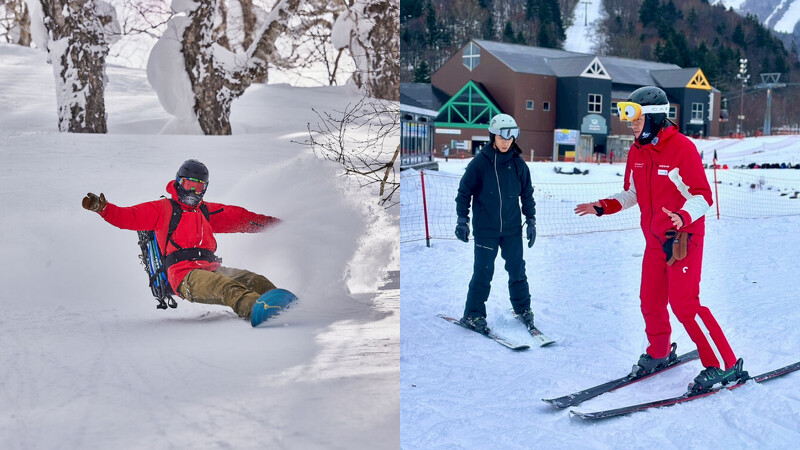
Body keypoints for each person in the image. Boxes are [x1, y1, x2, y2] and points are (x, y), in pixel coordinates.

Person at [574, 86, 748, 393]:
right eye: (629, 118)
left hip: (684, 237)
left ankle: (724, 363)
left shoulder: (682, 148)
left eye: (636, 118)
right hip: (655, 240)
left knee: (685, 305)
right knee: (650, 300)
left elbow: (703, 196)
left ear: (654, 117)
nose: (632, 124)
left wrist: (683, 215)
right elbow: (631, 194)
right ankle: (659, 352)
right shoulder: (637, 151)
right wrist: (603, 206)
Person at [82, 159, 282, 320]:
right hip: (183, 276)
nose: (193, 191)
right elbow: (129, 217)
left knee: (254, 280)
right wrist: (104, 209)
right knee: (227, 288)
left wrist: (278, 225)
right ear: (179, 182)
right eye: (188, 184)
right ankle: (264, 311)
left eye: (198, 186)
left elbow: (241, 218)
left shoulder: (205, 211)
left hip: (210, 268)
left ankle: (286, 306)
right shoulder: (162, 209)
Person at [454, 113, 537, 334]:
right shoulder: (480, 163)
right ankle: (473, 314)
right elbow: (464, 193)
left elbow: (527, 195)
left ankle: (523, 308)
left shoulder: (519, 164)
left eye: (511, 137)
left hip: (512, 229)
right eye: (502, 137)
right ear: (493, 136)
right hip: (486, 230)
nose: (506, 141)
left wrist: (531, 221)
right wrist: (462, 220)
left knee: (517, 269)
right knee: (483, 272)